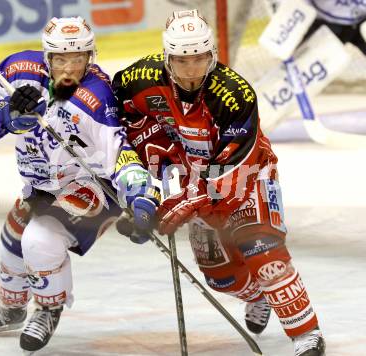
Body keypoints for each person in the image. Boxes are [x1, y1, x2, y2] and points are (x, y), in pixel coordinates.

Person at [112, 9, 325, 356]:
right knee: (220, 277)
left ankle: (306, 334)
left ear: (213, 55)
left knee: (262, 251)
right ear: (168, 58)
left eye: (200, 58)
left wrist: (179, 204)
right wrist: (151, 157)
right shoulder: (139, 78)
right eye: (182, 61)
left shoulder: (234, 93)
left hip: (248, 176)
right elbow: (116, 115)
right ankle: (260, 296)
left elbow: (233, 162)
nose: (192, 70)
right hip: (192, 179)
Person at [0, 16, 159, 353]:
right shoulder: (17, 70)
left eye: (79, 58)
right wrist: (8, 114)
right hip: (42, 185)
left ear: (90, 57)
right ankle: (10, 308)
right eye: (61, 59)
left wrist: (142, 195)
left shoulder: (96, 96)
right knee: (14, 238)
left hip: (91, 185)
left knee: (40, 240)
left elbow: (121, 154)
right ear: (47, 56)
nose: (69, 69)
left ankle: (49, 309)